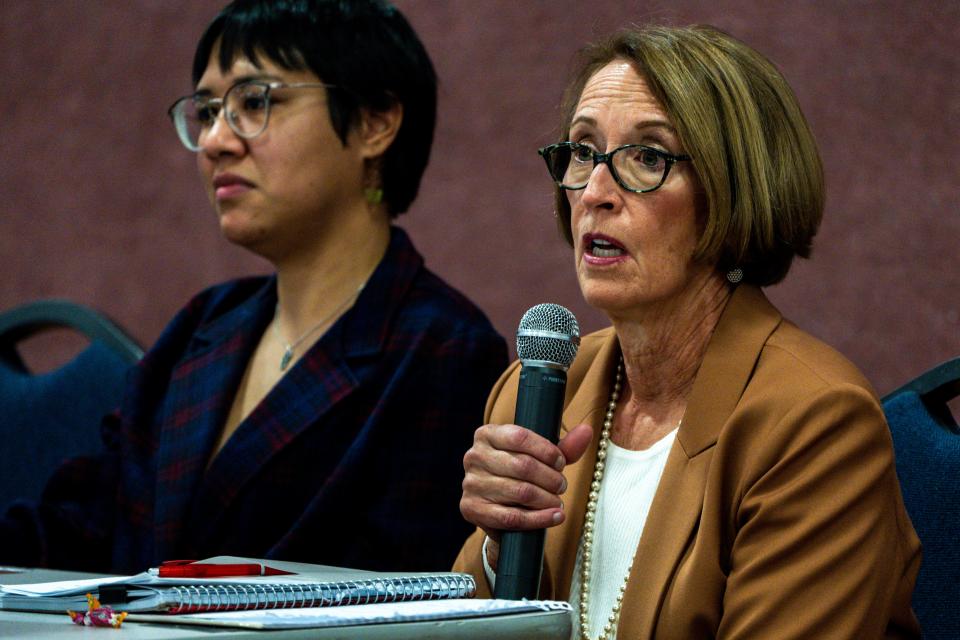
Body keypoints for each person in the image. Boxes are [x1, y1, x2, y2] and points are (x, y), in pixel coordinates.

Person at [0, 0, 506, 574]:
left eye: (254, 102)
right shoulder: (203, 326)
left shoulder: (442, 349)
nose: (216, 140)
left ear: (375, 121)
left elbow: (400, 601)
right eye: (208, 110)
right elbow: (78, 527)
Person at [455, 25, 920, 639]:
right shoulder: (537, 390)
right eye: (582, 152)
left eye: (647, 156)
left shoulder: (814, 423)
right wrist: (498, 547)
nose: (595, 192)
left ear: (736, 189)